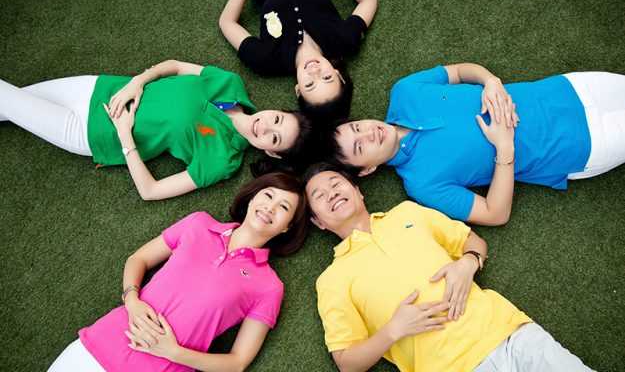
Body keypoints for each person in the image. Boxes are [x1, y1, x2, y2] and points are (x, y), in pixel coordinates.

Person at [303, 163, 595, 372]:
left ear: (358, 191)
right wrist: (393, 330)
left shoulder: (407, 212)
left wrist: (469, 263)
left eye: (336, 183)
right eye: (319, 196)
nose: (331, 193)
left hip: (510, 334)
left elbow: (473, 242)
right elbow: (346, 361)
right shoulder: (332, 280)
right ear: (319, 222)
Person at [47, 172, 309, 372]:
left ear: (287, 227)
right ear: (253, 197)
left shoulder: (269, 287)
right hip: (101, 344)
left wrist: (172, 352)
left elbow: (237, 362)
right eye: (268, 195)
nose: (270, 207)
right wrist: (132, 300)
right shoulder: (199, 223)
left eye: (284, 207)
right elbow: (138, 259)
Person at [328, 62, 625, 225]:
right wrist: (505, 148)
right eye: (360, 147)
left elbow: (458, 72)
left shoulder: (405, 91)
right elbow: (495, 214)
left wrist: (491, 80)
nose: (368, 133)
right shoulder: (422, 184)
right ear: (367, 170)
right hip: (580, 145)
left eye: (357, 127)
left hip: (567, 89)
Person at [0, 59, 312, 200]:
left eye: (274, 138)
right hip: (97, 87)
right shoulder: (230, 83)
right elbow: (174, 66)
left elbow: (151, 191)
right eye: (277, 119)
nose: (265, 126)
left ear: (271, 152)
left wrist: (124, 135)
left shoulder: (223, 160)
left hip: (90, 131)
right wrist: (137, 82)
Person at [219, 0, 377, 122]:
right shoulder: (344, 41)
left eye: (309, 85)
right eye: (327, 78)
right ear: (338, 75)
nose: (314, 72)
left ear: (298, 90)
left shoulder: (266, 59)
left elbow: (227, 22)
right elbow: (368, 0)